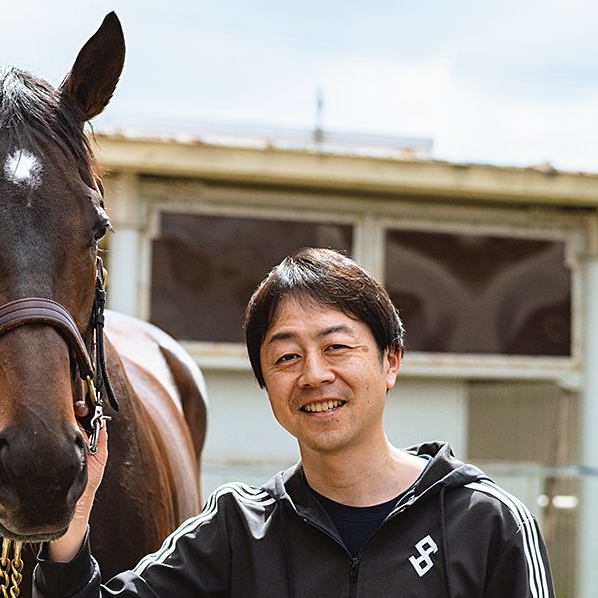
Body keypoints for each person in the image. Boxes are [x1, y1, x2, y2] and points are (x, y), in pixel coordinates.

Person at [34, 247, 555, 597]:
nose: (313, 375)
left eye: (337, 347)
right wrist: (72, 521)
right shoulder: (237, 531)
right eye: (285, 358)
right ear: (267, 383)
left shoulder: (489, 524)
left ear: (390, 360)